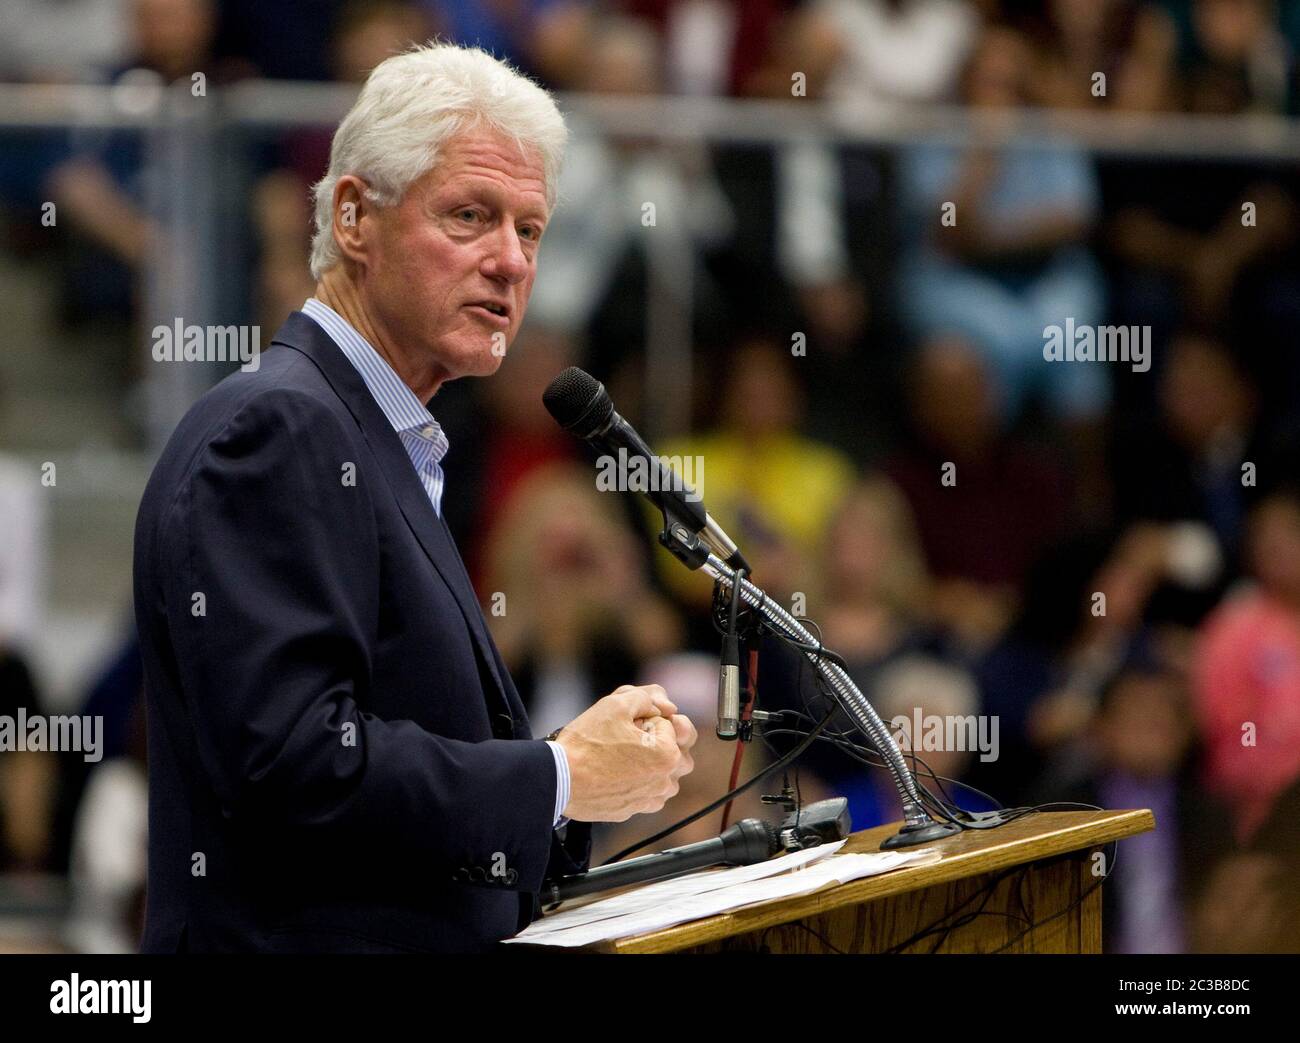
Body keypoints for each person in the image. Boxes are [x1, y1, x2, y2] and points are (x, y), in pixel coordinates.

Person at [132, 42, 697, 954]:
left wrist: (572, 770)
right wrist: (558, 774)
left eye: (530, 229)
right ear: (353, 217)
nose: (510, 262)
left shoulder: (385, 438)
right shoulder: (280, 429)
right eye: (471, 216)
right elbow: (296, 766)